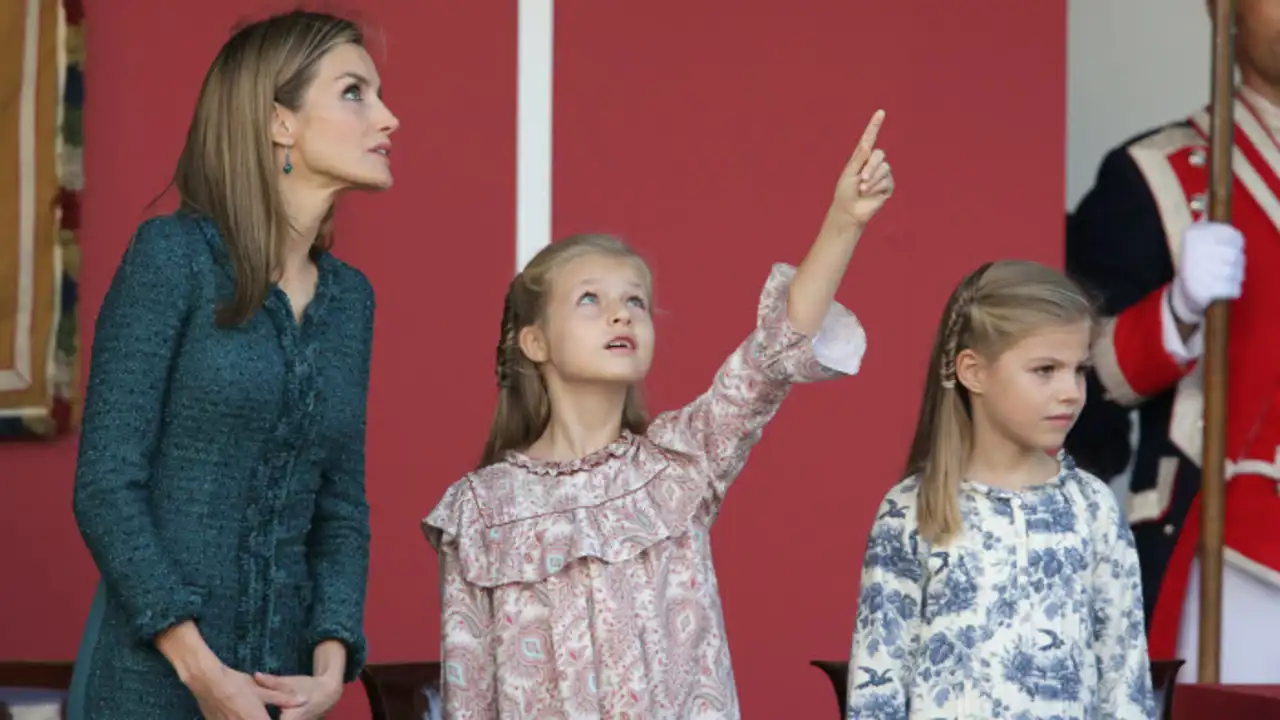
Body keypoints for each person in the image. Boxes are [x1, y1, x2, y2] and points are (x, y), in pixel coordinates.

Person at [423, 111, 892, 718]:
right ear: (535, 342)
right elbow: (470, 700)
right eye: (591, 298)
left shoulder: (682, 461)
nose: (621, 314)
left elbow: (774, 350)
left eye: (635, 301)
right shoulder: (479, 511)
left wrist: (843, 223)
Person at [67, 10, 399, 719]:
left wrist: (332, 664)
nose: (388, 117)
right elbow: (105, 485)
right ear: (280, 123)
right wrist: (202, 671)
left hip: (282, 691)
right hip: (151, 681)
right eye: (355, 92)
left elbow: (340, 508)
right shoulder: (172, 259)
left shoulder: (351, 302)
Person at [1064, 0, 1280, 683]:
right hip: (1227, 551)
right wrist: (1178, 311)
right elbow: (1079, 389)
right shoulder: (1152, 176)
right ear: (1223, 10)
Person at [844, 261, 1156, 719]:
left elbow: (1125, 677)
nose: (1071, 391)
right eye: (1046, 370)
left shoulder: (1092, 507)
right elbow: (878, 683)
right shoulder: (912, 509)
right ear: (973, 372)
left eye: (1080, 370)